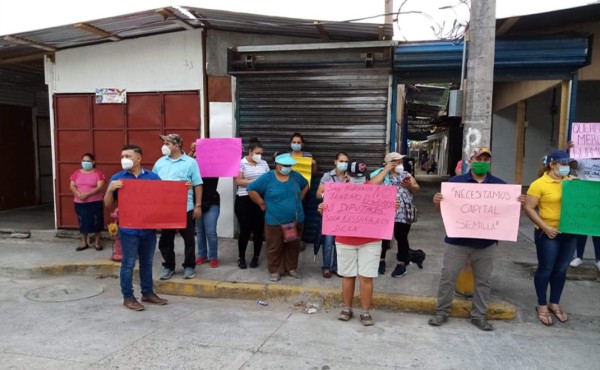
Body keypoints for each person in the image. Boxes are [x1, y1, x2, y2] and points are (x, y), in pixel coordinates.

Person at [428, 147, 523, 331]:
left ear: (489, 163)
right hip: (457, 241)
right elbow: (444, 212)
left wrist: (518, 203)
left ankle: (479, 316)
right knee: (448, 277)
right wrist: (437, 202)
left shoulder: (501, 187)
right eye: (478, 158)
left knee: (483, 281)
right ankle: (441, 312)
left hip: (486, 243)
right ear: (470, 161)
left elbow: (507, 212)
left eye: (486, 159)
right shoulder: (456, 183)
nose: (482, 162)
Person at [318, 160, 395, 326]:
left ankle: (365, 311)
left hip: (371, 241)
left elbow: (386, 212)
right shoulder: (336, 191)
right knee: (347, 275)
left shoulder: (376, 191)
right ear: (347, 175)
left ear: (365, 176)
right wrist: (323, 208)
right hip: (345, 239)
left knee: (366, 277)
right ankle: (347, 308)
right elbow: (328, 210)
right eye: (354, 176)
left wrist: (392, 206)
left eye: (360, 177)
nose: (357, 179)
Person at [104, 144, 168, 311]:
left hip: (148, 228)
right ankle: (128, 297)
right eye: (122, 156)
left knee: (147, 262)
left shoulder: (153, 177)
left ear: (139, 159)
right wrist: (110, 190)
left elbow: (162, 199)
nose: (124, 159)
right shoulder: (117, 178)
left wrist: (183, 190)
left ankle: (147, 293)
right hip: (128, 229)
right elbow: (108, 204)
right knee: (128, 264)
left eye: (128, 156)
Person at [523, 150, 578, 326]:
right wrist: (545, 227)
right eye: (563, 164)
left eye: (568, 164)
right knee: (546, 268)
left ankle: (554, 302)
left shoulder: (573, 183)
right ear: (552, 164)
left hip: (570, 233)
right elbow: (529, 208)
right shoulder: (539, 184)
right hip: (547, 233)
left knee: (561, 270)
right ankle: (541, 304)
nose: (566, 167)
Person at [247, 153, 309, 282]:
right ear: (277, 164)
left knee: (294, 245)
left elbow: (306, 185)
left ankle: (292, 269)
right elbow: (251, 189)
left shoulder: (296, 176)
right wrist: (261, 203)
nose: (288, 167)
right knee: (274, 246)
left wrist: (299, 200)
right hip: (274, 221)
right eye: (285, 165)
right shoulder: (268, 177)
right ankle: (275, 271)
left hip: (296, 219)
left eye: (290, 165)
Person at [153, 134, 203, 280]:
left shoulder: (190, 163)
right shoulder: (160, 162)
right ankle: (168, 266)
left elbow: (198, 184)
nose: (164, 146)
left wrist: (197, 205)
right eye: (164, 143)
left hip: (185, 207)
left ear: (176, 145)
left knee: (188, 238)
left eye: (167, 143)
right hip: (165, 208)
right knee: (165, 239)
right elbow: (153, 184)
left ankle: (189, 266)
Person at [370, 152, 421, 277]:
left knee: (401, 238)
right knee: (382, 238)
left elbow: (417, 188)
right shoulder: (379, 174)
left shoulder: (406, 175)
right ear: (389, 163)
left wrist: (410, 186)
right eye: (397, 162)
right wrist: (385, 170)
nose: (400, 164)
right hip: (384, 212)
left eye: (401, 161)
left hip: (403, 213)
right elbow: (371, 186)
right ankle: (381, 261)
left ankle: (401, 263)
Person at [234, 138, 270, 269]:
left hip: (259, 200)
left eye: (261, 153)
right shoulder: (241, 163)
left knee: (258, 231)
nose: (259, 156)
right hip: (244, 199)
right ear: (250, 151)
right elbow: (238, 181)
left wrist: (249, 181)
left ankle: (255, 257)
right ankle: (241, 258)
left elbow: (268, 181)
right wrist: (256, 182)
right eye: (257, 153)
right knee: (245, 229)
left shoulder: (264, 164)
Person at [315, 152, 349, 278]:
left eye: (346, 162)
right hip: (330, 214)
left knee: (340, 242)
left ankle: (337, 267)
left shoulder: (349, 177)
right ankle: (326, 267)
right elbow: (318, 194)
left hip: (345, 216)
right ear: (335, 162)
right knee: (328, 241)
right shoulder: (327, 176)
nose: (343, 164)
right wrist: (329, 195)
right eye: (341, 161)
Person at [188, 145, 221, 268]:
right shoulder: (191, 168)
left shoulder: (213, 167)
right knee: (199, 231)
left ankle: (213, 256)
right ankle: (202, 255)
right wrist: (192, 151)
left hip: (212, 202)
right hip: (196, 203)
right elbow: (183, 162)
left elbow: (227, 162)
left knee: (210, 231)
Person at [70, 153, 106, 251]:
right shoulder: (76, 173)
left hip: (94, 201)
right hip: (79, 202)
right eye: (84, 161)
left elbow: (99, 187)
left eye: (88, 161)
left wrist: (87, 194)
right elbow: (72, 185)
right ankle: (84, 242)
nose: (86, 163)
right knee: (82, 221)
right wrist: (78, 194)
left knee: (96, 221)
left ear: (93, 162)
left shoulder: (98, 173)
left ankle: (97, 242)